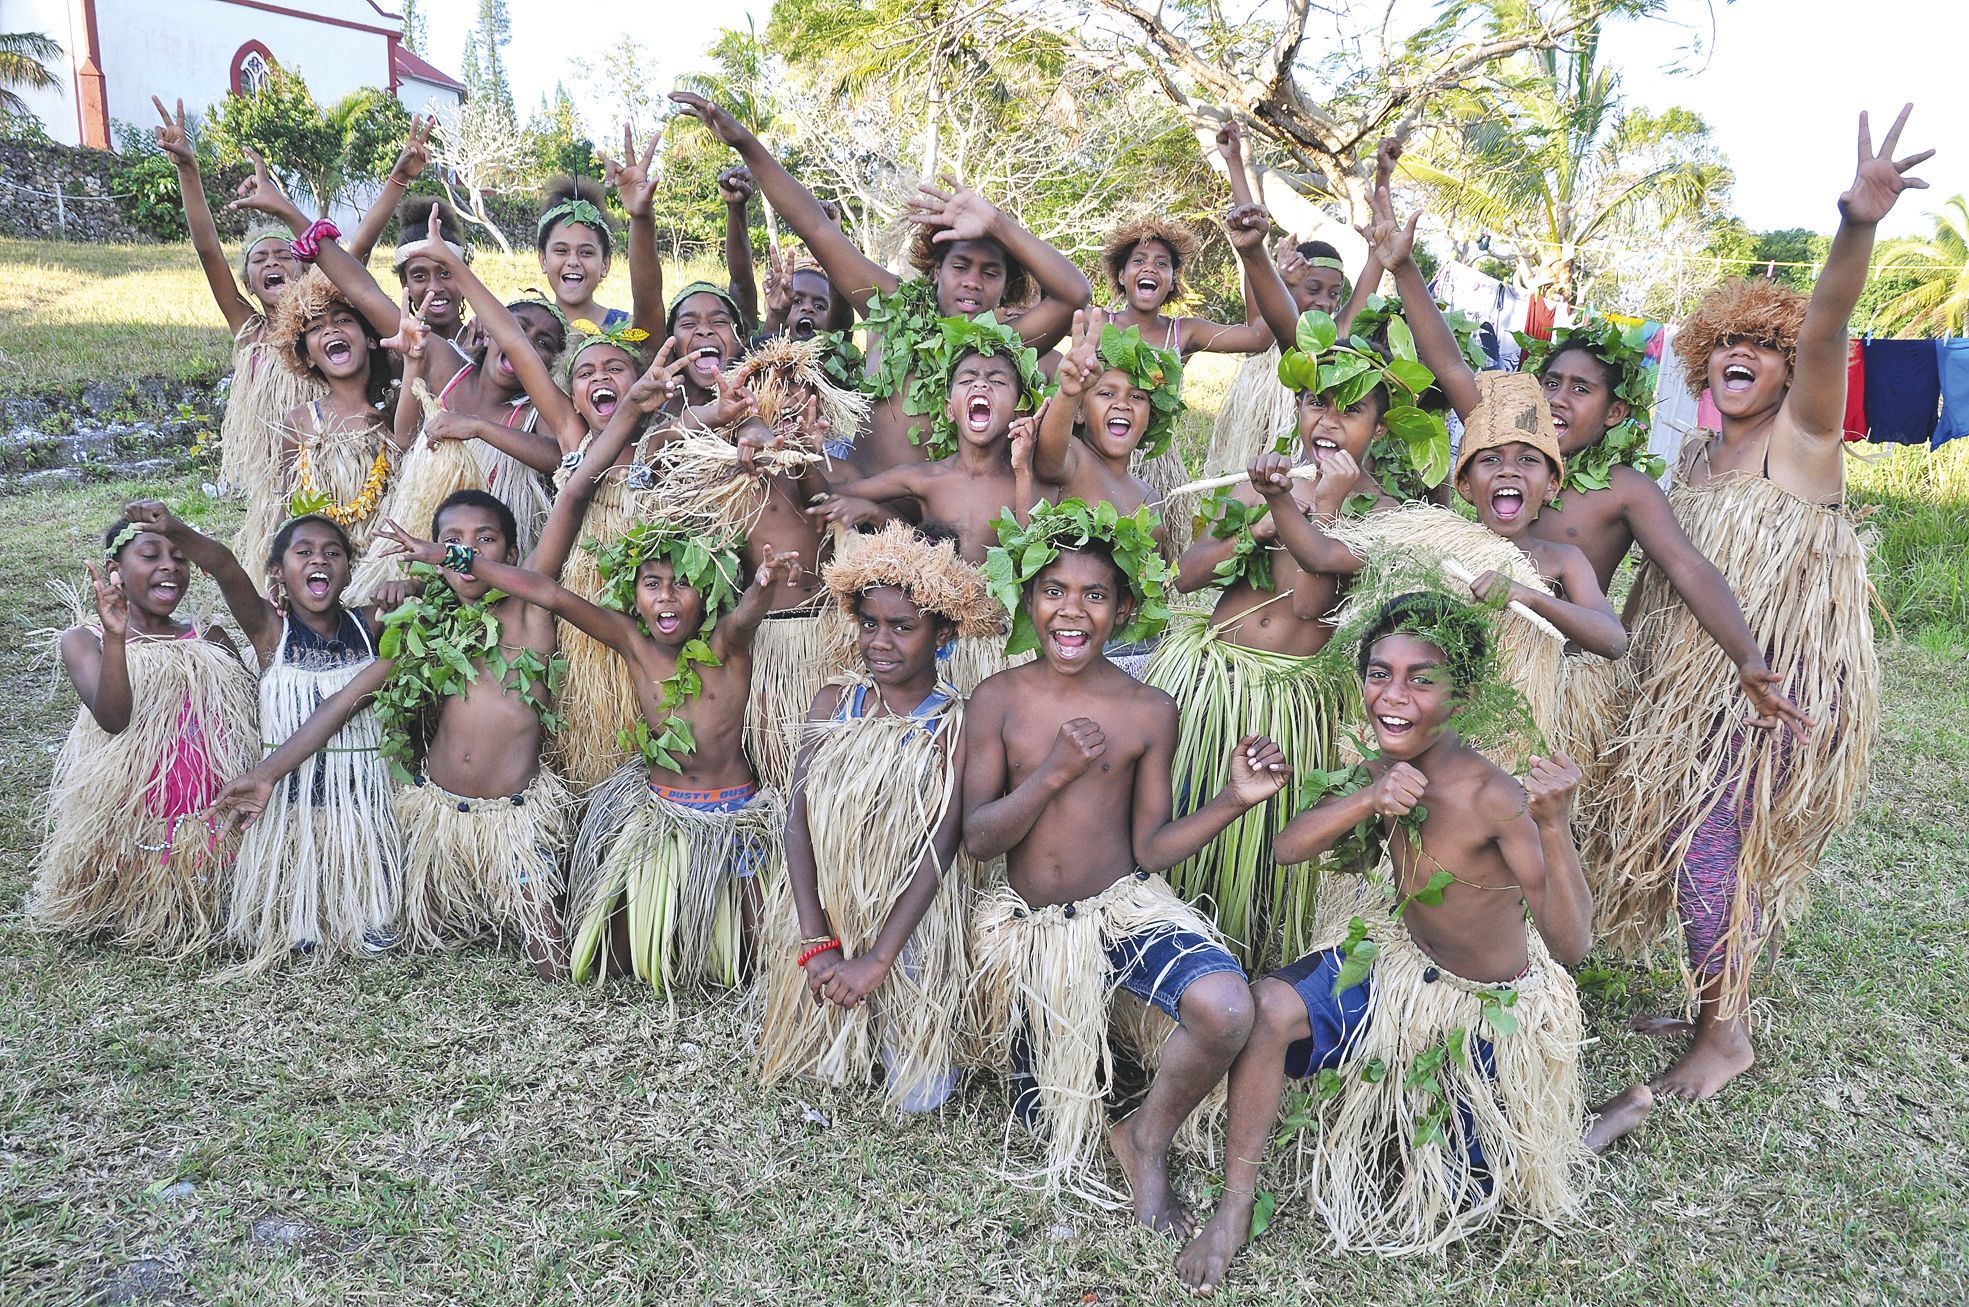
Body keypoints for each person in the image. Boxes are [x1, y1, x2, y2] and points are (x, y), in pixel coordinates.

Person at [1584, 107, 1920, 1100]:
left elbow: (1825, 325)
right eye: (1722, 343)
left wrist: (1854, 224)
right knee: (1706, 830)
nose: (1739, 355)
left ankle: (1724, 1033)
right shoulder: (1696, 452)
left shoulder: (1801, 437)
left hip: (1766, 679)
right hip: (1695, 677)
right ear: (1698, 358)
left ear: (1785, 370)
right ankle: (1709, 998)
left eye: (1758, 348)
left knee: (1709, 830)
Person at [1176, 593, 1648, 1288]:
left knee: (1478, 1193)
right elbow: (1286, 847)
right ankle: (1235, 1204)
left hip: (1485, 1009)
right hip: (1403, 970)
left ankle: (1594, 1125)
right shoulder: (1382, 762)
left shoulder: (1497, 797)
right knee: (1270, 1006)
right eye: (1378, 673)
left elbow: (1570, 944)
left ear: (1466, 693)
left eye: (1420, 679)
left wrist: (1554, 825)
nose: (1391, 696)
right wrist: (1368, 797)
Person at [1359, 139, 1804, 758]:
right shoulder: (1513, 444)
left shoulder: (1626, 489)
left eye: (1582, 389)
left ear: (1617, 411)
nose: (1560, 399)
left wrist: (1748, 658)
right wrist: (1404, 269)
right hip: (1468, 658)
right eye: (1552, 384)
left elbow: (1687, 567)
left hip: (1556, 679)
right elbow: (1451, 364)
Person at [963, 500, 1290, 1229]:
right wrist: (1051, 773)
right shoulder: (998, 699)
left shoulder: (1147, 709)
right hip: (1036, 935)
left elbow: (1150, 849)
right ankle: (1100, 1050)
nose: (1071, 611)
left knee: (1227, 1008)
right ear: (1027, 597)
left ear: (1125, 607)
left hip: (1122, 909)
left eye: (1094, 594)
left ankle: (1144, 1136)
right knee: (1044, 1120)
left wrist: (1233, 799)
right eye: (1052, 590)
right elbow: (978, 837)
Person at [210, 484, 590, 980]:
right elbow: (345, 702)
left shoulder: (529, 610)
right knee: (408, 936)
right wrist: (267, 774)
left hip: (511, 822)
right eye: (453, 540)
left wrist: (628, 415)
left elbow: (572, 493)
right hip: (433, 819)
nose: (468, 552)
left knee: (552, 961)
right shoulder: (428, 626)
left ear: (513, 554)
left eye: (485, 540)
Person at [453, 514, 796, 992]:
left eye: (682, 585)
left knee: (764, 957)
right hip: (661, 816)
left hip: (733, 816)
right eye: (651, 584)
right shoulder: (635, 645)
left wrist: (763, 584)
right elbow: (549, 594)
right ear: (634, 596)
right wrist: (461, 560)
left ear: (708, 595)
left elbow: (745, 617)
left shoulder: (724, 647)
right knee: (608, 961)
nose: (667, 597)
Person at [672, 90, 1093, 476]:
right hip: (855, 508)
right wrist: (746, 142)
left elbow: (1076, 294)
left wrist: (998, 224)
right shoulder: (889, 306)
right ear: (935, 271)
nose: (972, 284)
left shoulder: (1007, 343)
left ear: (1005, 286)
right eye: (960, 267)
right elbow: (816, 228)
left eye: (991, 273)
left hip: (941, 533)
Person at [757, 522, 1005, 1111]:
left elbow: (942, 847)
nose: (881, 641)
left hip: (912, 926)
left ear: (943, 631)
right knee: (818, 1069)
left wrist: (880, 959)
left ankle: (903, 1020)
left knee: (919, 1098)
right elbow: (797, 818)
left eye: (903, 627)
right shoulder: (833, 703)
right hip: (828, 910)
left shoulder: (956, 725)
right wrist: (816, 938)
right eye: (870, 623)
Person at [1261, 369, 1628, 752]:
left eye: (1528, 461)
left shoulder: (1562, 560)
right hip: (1414, 727)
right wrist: (1282, 498)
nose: (1508, 470)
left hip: (1502, 740)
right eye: (1490, 460)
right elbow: (1320, 555)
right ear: (1465, 485)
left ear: (1552, 484)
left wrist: (1531, 596)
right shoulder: (1432, 536)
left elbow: (1613, 640)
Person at [121, 501, 401, 971]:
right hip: (292, 802)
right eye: (303, 552)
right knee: (300, 919)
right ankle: (299, 917)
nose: (318, 560)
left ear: (349, 572)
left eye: (333, 553)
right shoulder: (270, 632)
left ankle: (363, 909)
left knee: (368, 912)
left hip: (359, 799)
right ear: (277, 572)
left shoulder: (369, 625)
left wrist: (405, 586)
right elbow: (226, 566)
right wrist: (177, 529)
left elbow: (426, 603)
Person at [149, 96, 408, 509]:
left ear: (304, 266)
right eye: (259, 259)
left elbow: (360, 243)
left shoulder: (330, 318)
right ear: (248, 283)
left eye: (284, 254)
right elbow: (208, 251)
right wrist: (187, 169)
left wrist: (397, 180)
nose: (272, 261)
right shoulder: (249, 331)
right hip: (275, 484)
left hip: (341, 463)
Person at [28, 516, 257, 957]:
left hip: (208, 800)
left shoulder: (209, 637)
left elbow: (250, 710)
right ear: (115, 569)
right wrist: (116, 636)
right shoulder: (84, 640)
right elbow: (113, 717)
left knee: (220, 896)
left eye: (179, 557)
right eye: (150, 556)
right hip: (136, 808)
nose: (169, 566)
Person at [234, 265, 403, 586]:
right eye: (315, 328)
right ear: (308, 356)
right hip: (320, 575)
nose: (330, 330)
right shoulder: (299, 422)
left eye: (343, 320)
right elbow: (287, 505)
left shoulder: (394, 409)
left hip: (385, 571)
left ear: (369, 339)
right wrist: (276, 575)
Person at [536, 132, 665, 340]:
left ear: (605, 264)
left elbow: (650, 306)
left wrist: (641, 218)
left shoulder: (625, 329)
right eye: (561, 250)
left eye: (586, 252)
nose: (573, 262)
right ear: (543, 259)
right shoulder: (526, 328)